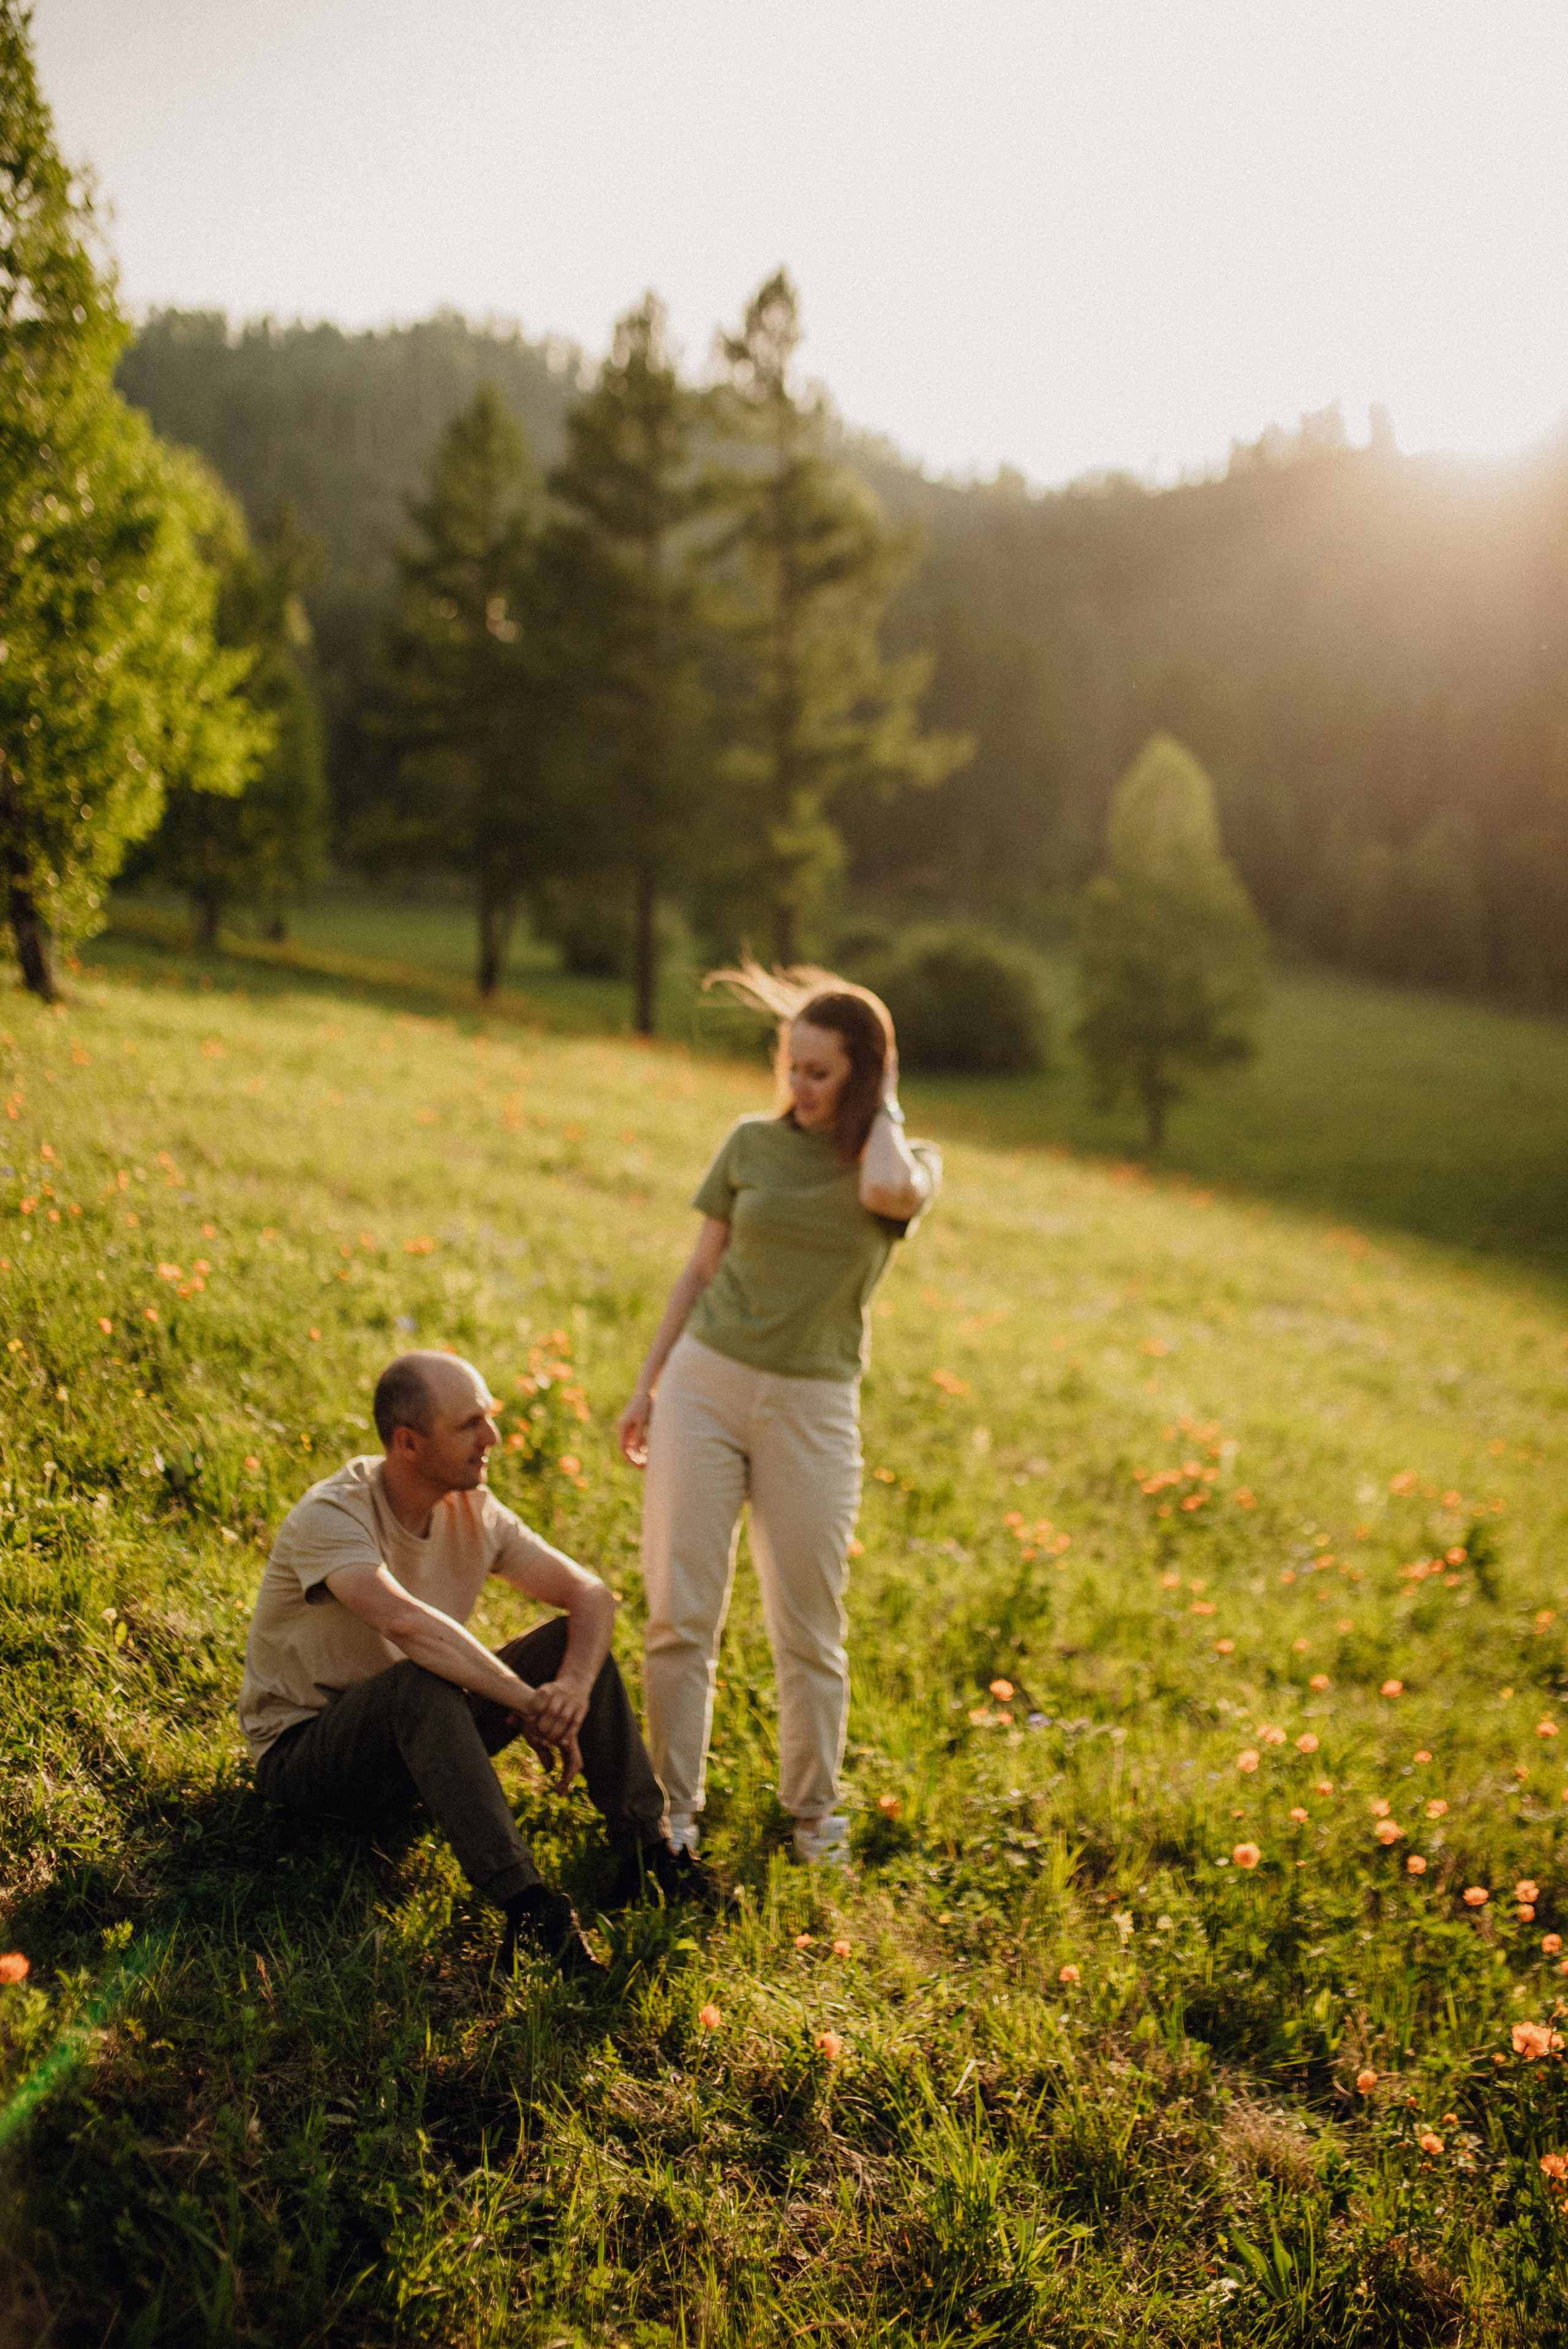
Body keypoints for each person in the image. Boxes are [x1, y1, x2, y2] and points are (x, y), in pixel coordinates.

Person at [240, 1349, 718, 1981]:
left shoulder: (473, 1508)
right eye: (470, 1424)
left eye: (487, 1418)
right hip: (307, 1759)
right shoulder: (333, 1515)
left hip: (417, 1741)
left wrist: (569, 1690)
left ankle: (647, 1853)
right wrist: (527, 1704)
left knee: (569, 1644)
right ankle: (530, 1911)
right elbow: (405, 1625)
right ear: (409, 1443)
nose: (492, 1437)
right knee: (420, 1680)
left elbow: (592, 1597)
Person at [616, 963, 940, 1870]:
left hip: (813, 1406)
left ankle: (813, 1817)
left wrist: (881, 1110)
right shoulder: (749, 1145)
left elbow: (886, 1189)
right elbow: (698, 1268)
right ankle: (672, 1811)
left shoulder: (903, 1167)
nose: (797, 1086)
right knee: (681, 1611)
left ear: (867, 1075)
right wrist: (648, 1382)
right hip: (704, 1383)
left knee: (809, 1622)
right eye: (790, 1066)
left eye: (821, 1071)